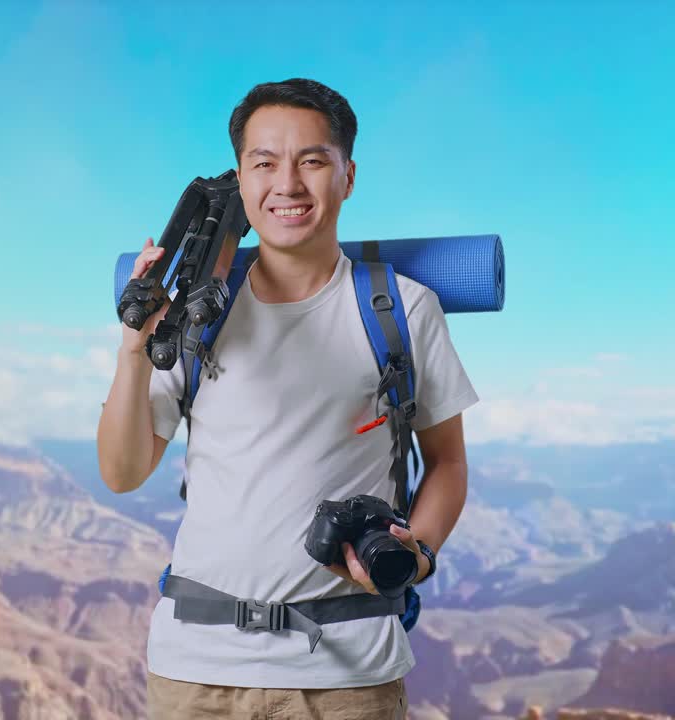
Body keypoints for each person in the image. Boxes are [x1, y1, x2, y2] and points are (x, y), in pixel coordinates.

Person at [97, 78, 478, 720]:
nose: (288, 185)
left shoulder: (403, 310)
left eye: (312, 161)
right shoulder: (194, 314)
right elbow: (123, 472)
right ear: (241, 181)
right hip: (195, 674)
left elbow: (447, 462)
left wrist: (419, 554)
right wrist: (135, 350)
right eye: (265, 163)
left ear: (347, 176)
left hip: (349, 677)